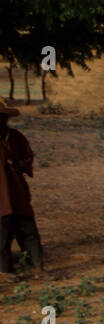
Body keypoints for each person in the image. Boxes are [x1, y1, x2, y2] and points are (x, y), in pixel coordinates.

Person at [0, 102, 44, 277]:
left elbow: (28, 156)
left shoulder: (16, 137)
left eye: (3, 117)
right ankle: (4, 272)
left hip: (16, 191)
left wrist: (20, 164)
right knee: (2, 236)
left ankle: (38, 267)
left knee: (29, 230)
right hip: (1, 197)